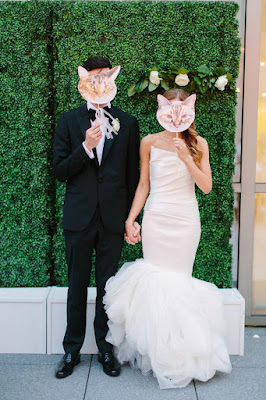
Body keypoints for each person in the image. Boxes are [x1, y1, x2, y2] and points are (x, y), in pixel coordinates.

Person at [103, 88, 232, 389]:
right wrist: (131, 218)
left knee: (179, 281)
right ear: (162, 112)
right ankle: (158, 354)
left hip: (185, 219)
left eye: (180, 110)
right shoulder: (148, 142)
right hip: (158, 217)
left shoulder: (199, 143)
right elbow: (143, 185)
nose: (175, 115)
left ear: (188, 111)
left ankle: (182, 352)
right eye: (169, 110)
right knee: (157, 281)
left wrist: (187, 158)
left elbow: (207, 186)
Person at [53, 56, 140, 379]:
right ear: (84, 82)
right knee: (76, 286)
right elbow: (60, 171)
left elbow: (133, 175)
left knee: (108, 288)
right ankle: (71, 351)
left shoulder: (127, 122)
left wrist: (131, 218)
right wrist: (86, 147)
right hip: (79, 217)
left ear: (113, 78)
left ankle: (106, 350)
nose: (99, 82)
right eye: (93, 77)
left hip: (113, 219)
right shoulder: (68, 121)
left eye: (104, 76)